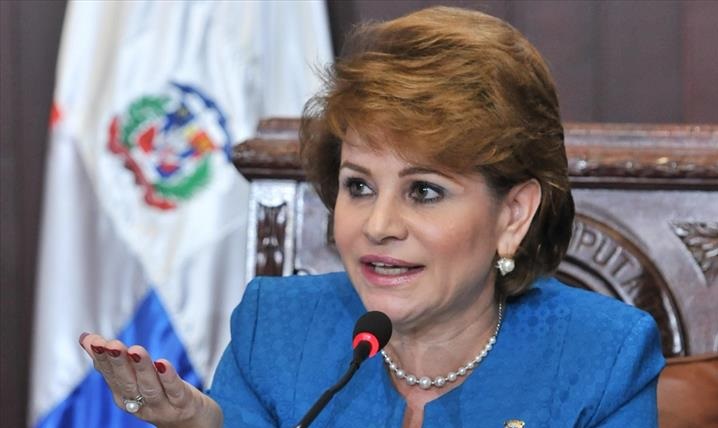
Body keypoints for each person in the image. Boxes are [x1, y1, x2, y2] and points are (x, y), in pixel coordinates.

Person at [80, 6, 664, 427]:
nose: (379, 224)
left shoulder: (601, 355)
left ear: (513, 214)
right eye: (359, 186)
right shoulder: (277, 328)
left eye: (424, 191)